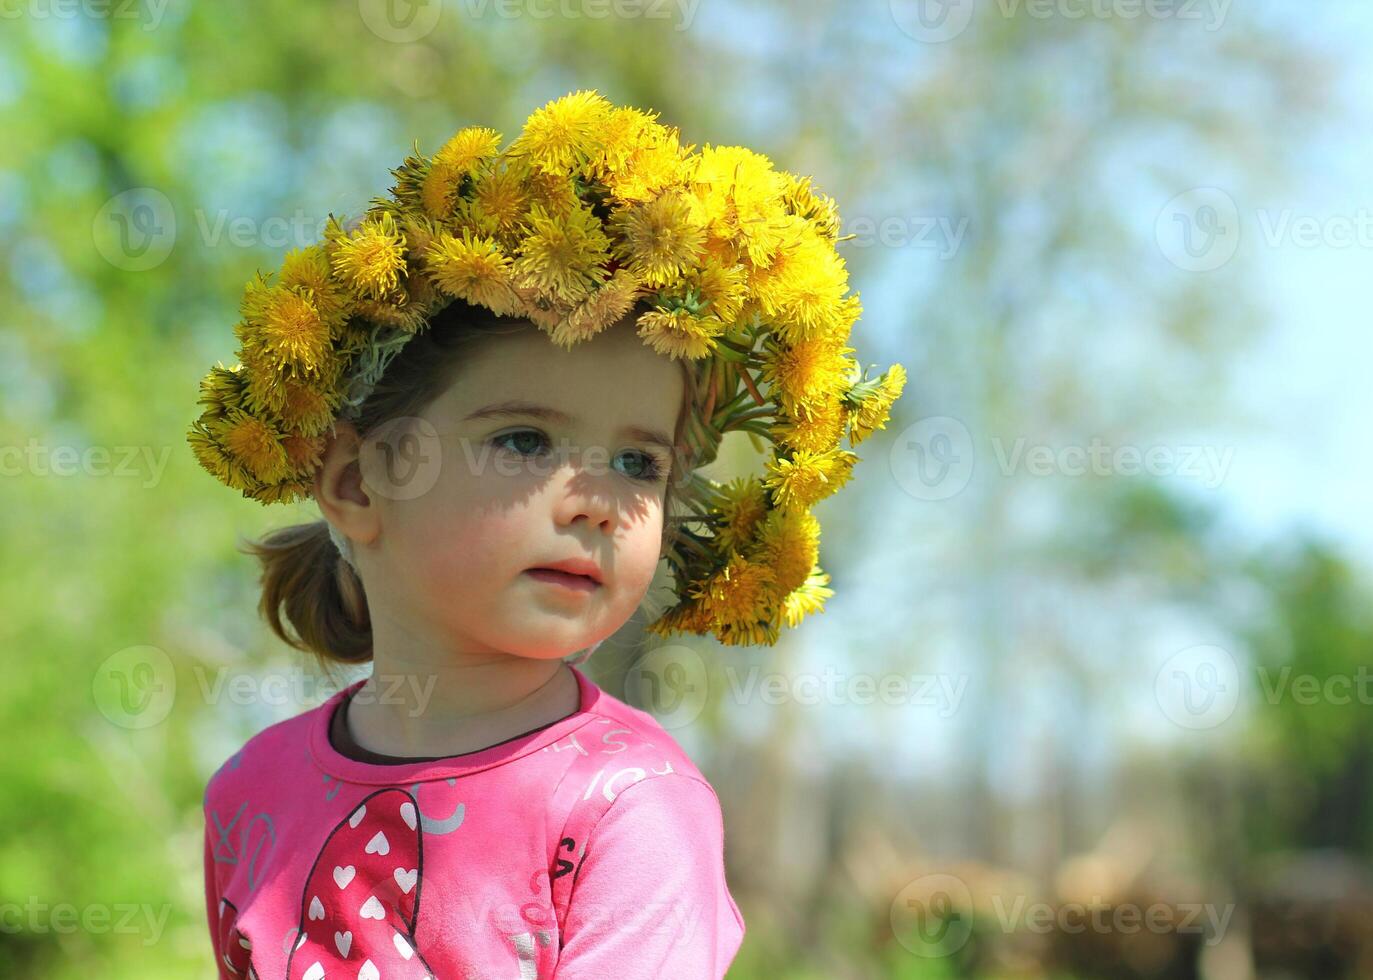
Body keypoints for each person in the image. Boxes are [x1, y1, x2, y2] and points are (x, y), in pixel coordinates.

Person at [190, 89, 904, 979]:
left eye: (641, 464)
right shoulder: (250, 794)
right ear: (353, 481)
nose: (599, 502)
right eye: (524, 439)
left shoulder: (632, 811)